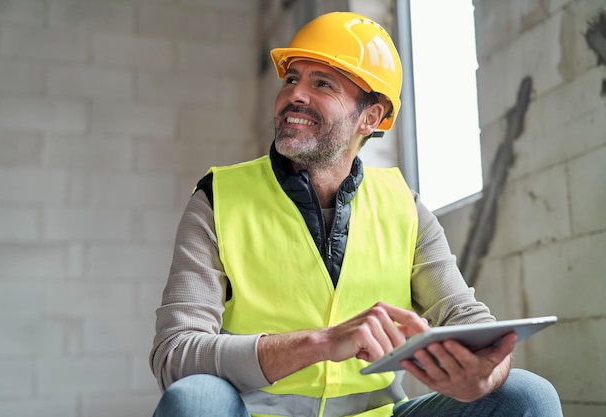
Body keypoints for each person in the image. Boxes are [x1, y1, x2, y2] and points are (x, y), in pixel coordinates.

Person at [150, 11, 563, 417]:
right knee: (196, 400)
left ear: (372, 116)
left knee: (526, 394)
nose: (294, 93)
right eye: (291, 78)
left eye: (322, 83)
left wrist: (485, 375)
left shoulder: (405, 206)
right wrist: (323, 342)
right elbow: (176, 354)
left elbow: (470, 319)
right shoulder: (218, 198)